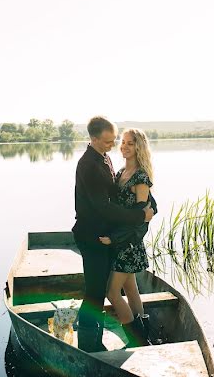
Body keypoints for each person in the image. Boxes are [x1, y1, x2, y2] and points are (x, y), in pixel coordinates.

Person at [72, 116, 154, 353]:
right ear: (94, 139)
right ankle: (90, 345)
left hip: (113, 238)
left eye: (116, 140)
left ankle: (140, 337)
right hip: (93, 237)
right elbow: (103, 207)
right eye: (109, 141)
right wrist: (140, 216)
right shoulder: (89, 165)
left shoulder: (104, 158)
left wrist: (147, 212)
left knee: (124, 287)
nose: (114, 145)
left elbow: (146, 201)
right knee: (97, 293)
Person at [99, 128, 156, 347]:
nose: (124, 146)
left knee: (112, 293)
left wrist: (116, 240)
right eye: (123, 142)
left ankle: (136, 339)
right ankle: (144, 335)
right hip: (119, 241)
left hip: (128, 244)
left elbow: (141, 220)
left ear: (139, 147)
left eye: (130, 143)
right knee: (130, 288)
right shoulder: (121, 172)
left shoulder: (141, 177)